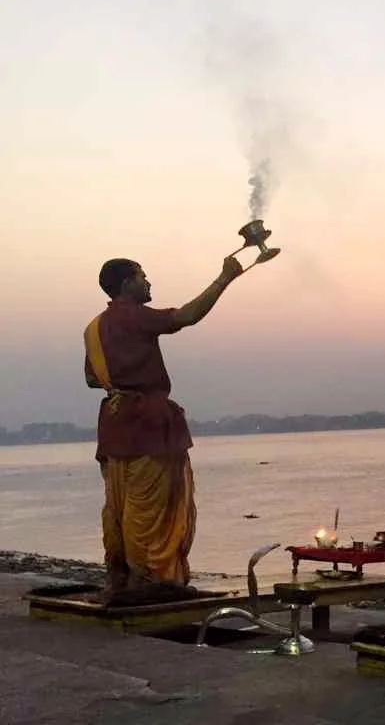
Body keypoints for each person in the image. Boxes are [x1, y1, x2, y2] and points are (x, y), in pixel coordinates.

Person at [83, 255, 245, 601]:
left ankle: (121, 578)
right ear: (127, 283)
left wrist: (120, 383)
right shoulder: (134, 315)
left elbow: (90, 378)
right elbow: (186, 316)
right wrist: (224, 278)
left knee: (119, 506)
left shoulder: (93, 328)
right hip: (147, 425)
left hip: (114, 424)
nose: (149, 282)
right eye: (143, 276)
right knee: (151, 508)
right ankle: (151, 581)